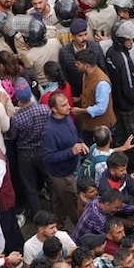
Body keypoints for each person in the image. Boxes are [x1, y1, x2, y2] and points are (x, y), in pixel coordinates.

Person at [42, 92, 88, 226]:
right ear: (54, 109)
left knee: (58, 199)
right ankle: (81, 228)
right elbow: (49, 156)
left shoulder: (66, 117)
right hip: (62, 174)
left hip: (72, 167)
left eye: (67, 103)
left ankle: (57, 223)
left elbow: (73, 135)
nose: (68, 107)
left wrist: (80, 142)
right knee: (73, 203)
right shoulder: (49, 131)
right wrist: (71, 151)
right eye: (63, 105)